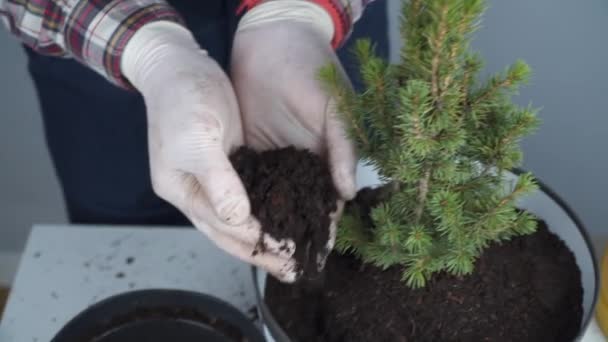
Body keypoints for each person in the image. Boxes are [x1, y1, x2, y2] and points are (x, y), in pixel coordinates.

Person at [0, 0, 388, 282]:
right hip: (100, 29)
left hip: (315, 32)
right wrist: (150, 51)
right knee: (127, 254)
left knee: (351, 231)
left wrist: (299, 12)